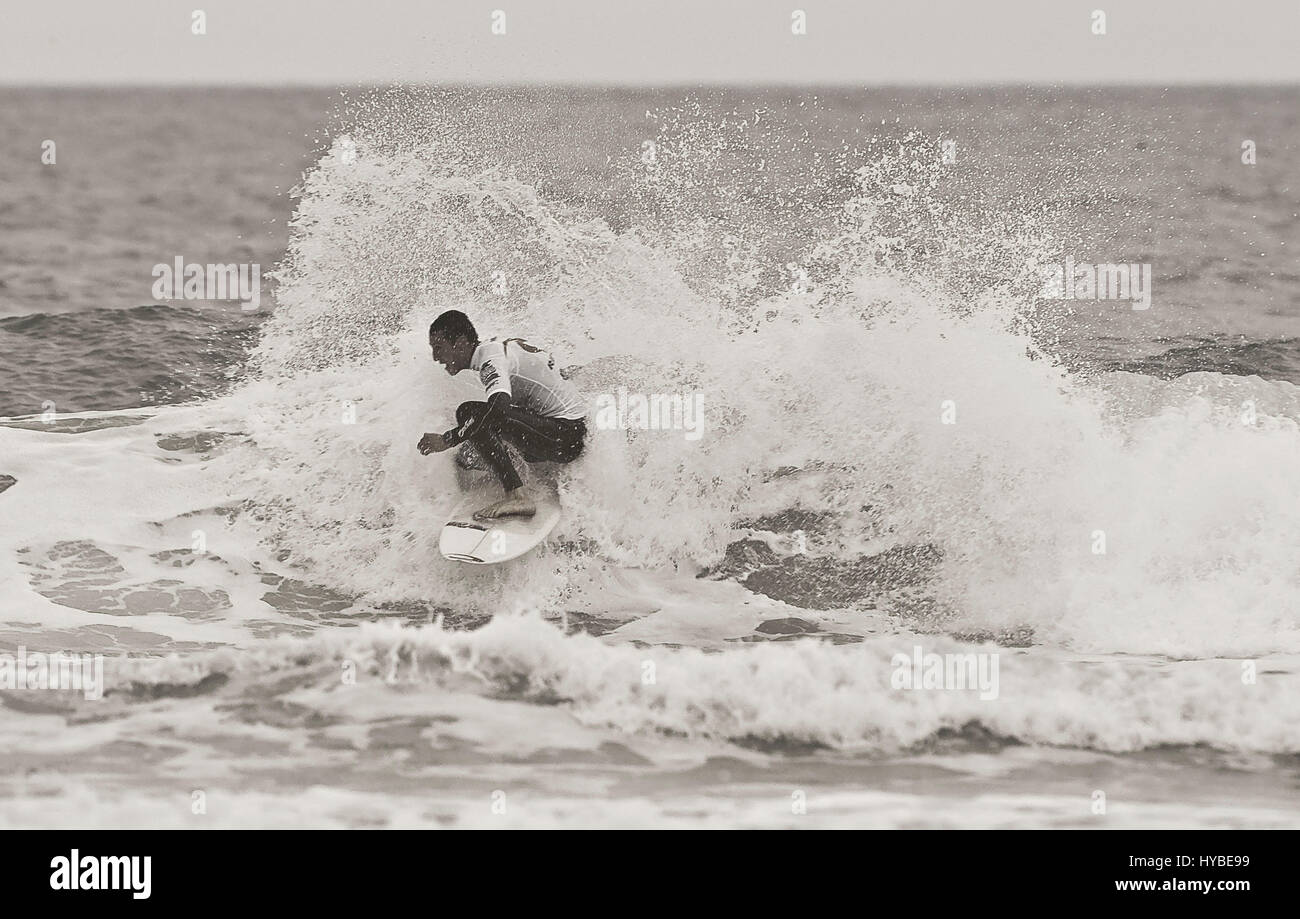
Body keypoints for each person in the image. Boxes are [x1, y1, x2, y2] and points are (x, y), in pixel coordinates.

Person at [418, 310, 587, 519]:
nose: (436, 357)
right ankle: (517, 470)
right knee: (470, 449)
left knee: (469, 412)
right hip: (568, 430)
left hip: (566, 437)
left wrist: (448, 439)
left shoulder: (491, 360)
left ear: (460, 342)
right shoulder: (498, 348)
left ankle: (518, 496)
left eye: (439, 348)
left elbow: (499, 411)